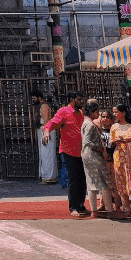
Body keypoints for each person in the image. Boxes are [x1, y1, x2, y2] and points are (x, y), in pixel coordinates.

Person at [43, 90, 88, 218]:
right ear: (72, 100)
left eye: (82, 99)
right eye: (79, 99)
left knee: (82, 179)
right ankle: (73, 207)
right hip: (69, 151)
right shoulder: (64, 111)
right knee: (73, 179)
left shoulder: (81, 113)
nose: (81, 101)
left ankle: (80, 204)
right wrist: (46, 132)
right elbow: (52, 123)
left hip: (82, 151)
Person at [80, 102, 120, 218]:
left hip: (87, 155)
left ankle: (94, 211)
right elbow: (87, 141)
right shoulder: (90, 125)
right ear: (92, 112)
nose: (99, 114)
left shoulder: (86, 123)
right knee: (103, 182)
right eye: (97, 111)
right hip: (93, 155)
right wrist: (99, 148)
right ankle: (110, 210)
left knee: (91, 183)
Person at [95, 109, 121, 213]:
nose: (105, 119)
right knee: (103, 183)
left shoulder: (114, 130)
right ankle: (103, 204)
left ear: (111, 119)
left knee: (115, 184)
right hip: (102, 160)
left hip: (114, 160)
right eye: (103, 117)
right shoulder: (98, 131)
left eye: (107, 117)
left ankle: (117, 206)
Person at [32, 90, 58, 183]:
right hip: (45, 129)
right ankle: (48, 176)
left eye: (34, 98)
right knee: (46, 153)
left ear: (39, 97)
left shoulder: (44, 106)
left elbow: (46, 119)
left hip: (46, 130)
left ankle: (48, 176)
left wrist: (46, 132)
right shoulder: (42, 106)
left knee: (46, 154)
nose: (33, 100)